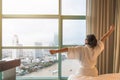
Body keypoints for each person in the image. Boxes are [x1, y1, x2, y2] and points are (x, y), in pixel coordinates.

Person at [49, 25, 115, 79]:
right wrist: (110, 31)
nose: (84, 39)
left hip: (82, 72)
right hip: (93, 72)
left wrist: (55, 51)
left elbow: (68, 49)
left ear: (87, 41)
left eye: (85, 39)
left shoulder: (81, 49)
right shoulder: (97, 48)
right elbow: (102, 39)